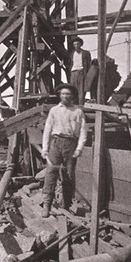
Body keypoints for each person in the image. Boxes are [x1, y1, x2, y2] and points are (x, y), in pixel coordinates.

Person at [41, 84, 87, 217]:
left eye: (68, 94)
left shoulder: (78, 111)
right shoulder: (54, 110)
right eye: (63, 94)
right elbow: (47, 130)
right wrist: (45, 148)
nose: (65, 96)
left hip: (71, 144)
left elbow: (83, 131)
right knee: (51, 172)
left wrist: (79, 148)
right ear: (60, 95)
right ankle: (47, 205)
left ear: (72, 96)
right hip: (56, 143)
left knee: (69, 175)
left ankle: (66, 205)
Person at [67, 37, 91, 104]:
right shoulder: (71, 54)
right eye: (75, 44)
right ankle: (72, 105)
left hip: (81, 73)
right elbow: (68, 63)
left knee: (81, 90)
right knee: (72, 90)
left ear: (80, 44)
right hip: (73, 73)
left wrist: (87, 74)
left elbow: (89, 64)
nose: (76, 46)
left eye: (78, 44)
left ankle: (81, 105)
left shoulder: (86, 53)